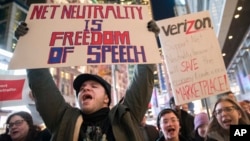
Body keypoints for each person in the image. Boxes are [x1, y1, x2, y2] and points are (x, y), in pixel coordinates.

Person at [14, 20, 159, 141]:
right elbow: (41, 84)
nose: (85, 88)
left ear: (106, 98)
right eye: (82, 87)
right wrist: (29, 42)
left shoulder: (125, 116)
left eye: (94, 86)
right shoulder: (63, 120)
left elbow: (143, 79)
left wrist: (148, 39)